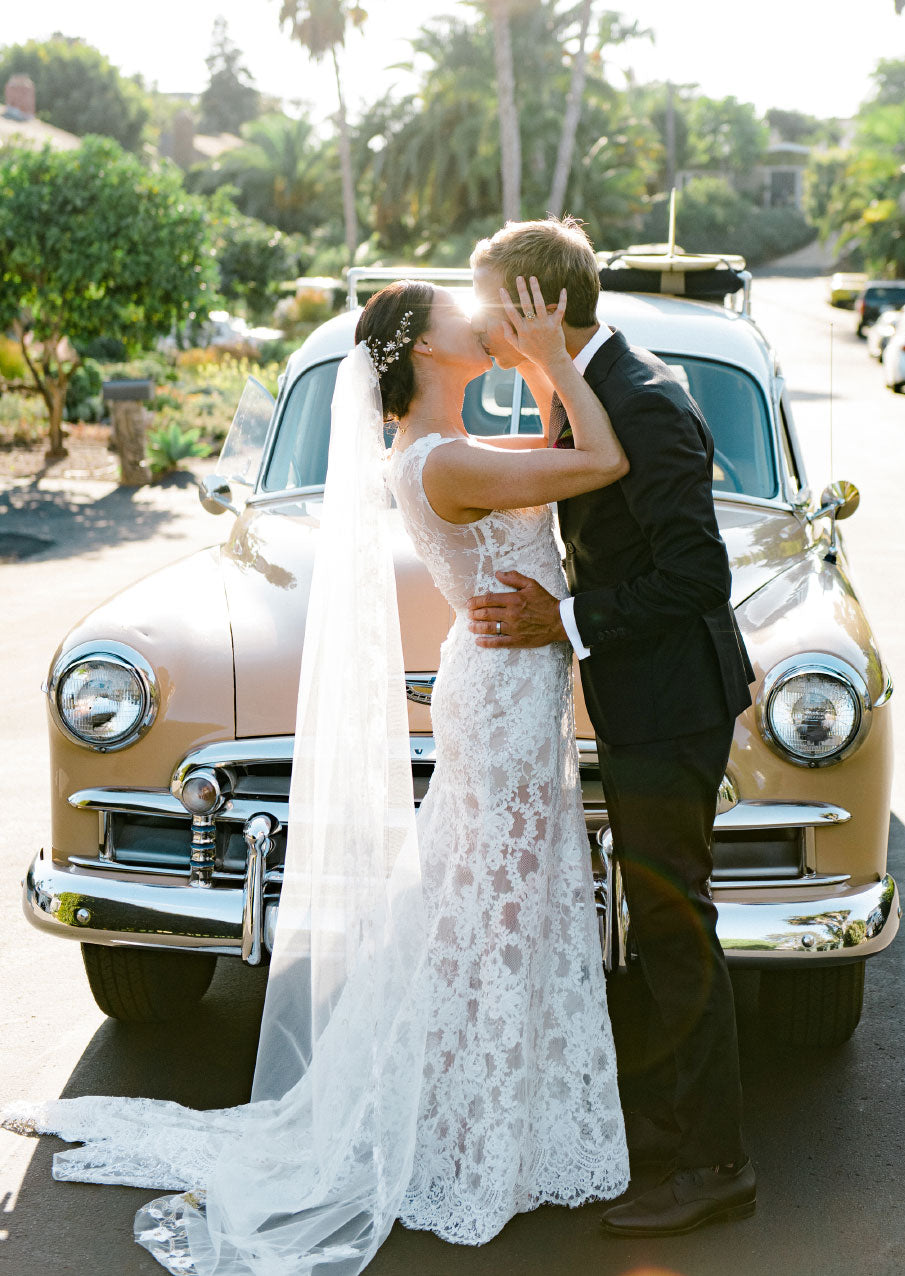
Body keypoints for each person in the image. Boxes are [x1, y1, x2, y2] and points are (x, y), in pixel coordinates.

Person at [2, 274, 630, 1273]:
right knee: (502, 908)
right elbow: (598, 460)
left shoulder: (452, 448)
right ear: (425, 349)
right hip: (503, 698)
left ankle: (495, 1128)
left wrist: (541, 365)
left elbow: (557, 452)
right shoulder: (442, 460)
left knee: (495, 903)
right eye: (460, 314)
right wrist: (550, 358)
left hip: (509, 688)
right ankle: (470, 1143)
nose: (481, 319)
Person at [466, 217, 758, 1237]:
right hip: (646, 700)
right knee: (662, 927)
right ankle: (676, 1144)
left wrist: (568, 621)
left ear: (539, 305)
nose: (478, 318)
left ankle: (712, 1166)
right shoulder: (589, 385)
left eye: (489, 297)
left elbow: (699, 575)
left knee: (678, 932)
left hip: (674, 706)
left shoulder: (642, 399)